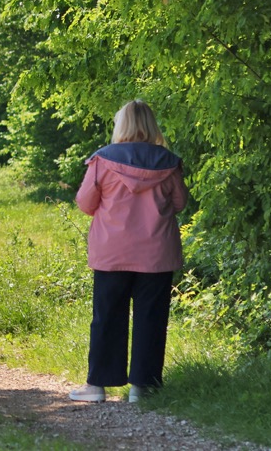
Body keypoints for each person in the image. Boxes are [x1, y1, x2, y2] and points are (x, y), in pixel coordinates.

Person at [69, 100, 190, 404]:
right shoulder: (169, 162)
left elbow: (85, 204)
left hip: (113, 252)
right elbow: (179, 204)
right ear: (151, 124)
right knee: (152, 317)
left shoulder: (102, 160)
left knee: (107, 317)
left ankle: (97, 387)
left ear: (120, 124)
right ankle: (142, 388)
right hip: (157, 253)